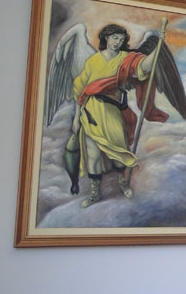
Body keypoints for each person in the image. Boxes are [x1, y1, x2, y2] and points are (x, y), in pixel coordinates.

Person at [71, 24, 165, 208]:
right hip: (91, 111)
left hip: (112, 110)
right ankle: (95, 193)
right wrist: (76, 119)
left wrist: (159, 45)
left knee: (119, 151)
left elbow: (145, 66)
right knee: (93, 155)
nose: (117, 42)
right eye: (115, 38)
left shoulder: (125, 59)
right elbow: (80, 91)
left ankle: (123, 183)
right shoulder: (93, 61)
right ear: (106, 37)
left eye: (121, 40)